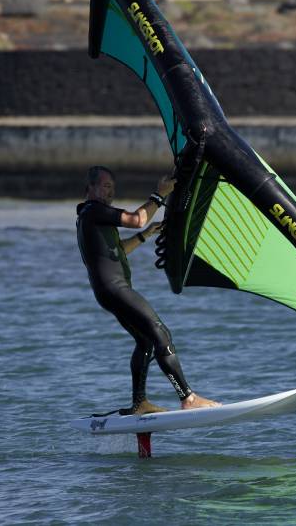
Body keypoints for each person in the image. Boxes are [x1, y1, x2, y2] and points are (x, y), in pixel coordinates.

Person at [76, 165, 220, 415]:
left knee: (145, 341)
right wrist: (159, 194)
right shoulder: (95, 210)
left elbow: (118, 250)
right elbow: (137, 218)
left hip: (108, 292)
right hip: (115, 289)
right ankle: (188, 397)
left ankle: (139, 403)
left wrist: (145, 236)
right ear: (89, 189)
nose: (109, 192)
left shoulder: (88, 216)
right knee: (160, 332)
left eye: (112, 188)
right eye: (105, 186)